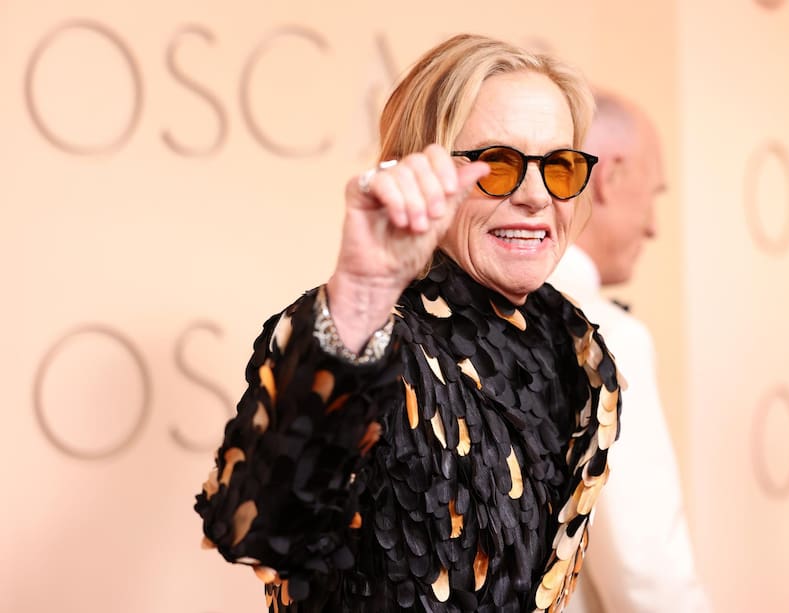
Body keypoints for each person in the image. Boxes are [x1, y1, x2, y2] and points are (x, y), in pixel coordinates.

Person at [194, 34, 625, 613]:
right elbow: (262, 530)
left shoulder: (575, 351)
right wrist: (361, 296)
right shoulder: (361, 332)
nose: (536, 196)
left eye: (560, 167)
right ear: (420, 173)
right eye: (498, 165)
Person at [549, 91, 711, 613]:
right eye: (653, 193)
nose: (654, 226)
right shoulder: (604, 339)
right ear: (611, 177)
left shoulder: (461, 322)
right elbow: (648, 578)